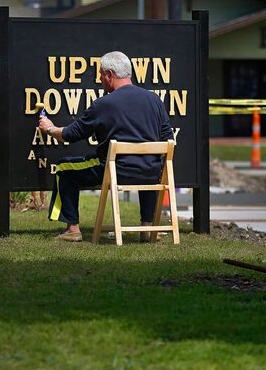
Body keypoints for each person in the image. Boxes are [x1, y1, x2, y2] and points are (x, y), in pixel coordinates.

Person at [38, 51, 173, 242]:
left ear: (110, 74)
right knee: (147, 165)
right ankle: (147, 227)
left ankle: (72, 229)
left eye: (101, 75)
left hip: (115, 171)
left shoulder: (103, 104)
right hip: (151, 172)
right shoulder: (154, 100)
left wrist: (50, 129)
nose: (100, 79)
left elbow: (71, 134)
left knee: (63, 168)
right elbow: (169, 138)